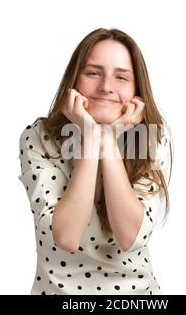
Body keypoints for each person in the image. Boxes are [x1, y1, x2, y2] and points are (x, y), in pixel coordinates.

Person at [17, 28, 173, 295]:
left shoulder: (152, 138)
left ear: (137, 90)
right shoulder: (39, 138)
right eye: (93, 73)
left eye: (121, 77)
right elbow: (66, 237)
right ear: (74, 81)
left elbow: (129, 236)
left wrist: (109, 141)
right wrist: (91, 138)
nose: (106, 87)